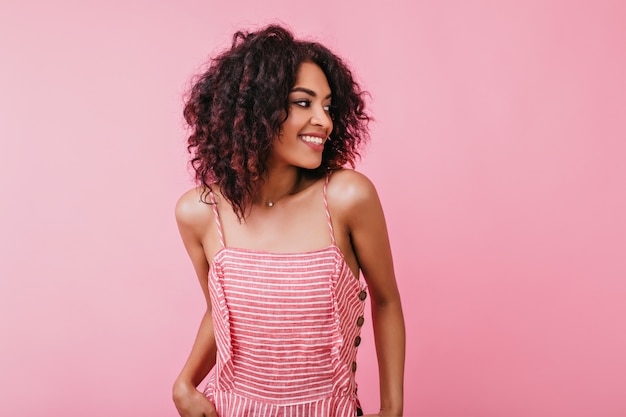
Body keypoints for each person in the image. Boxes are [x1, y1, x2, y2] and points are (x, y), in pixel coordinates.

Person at [172, 24, 405, 417]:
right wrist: (184, 384)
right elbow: (220, 312)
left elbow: (386, 300)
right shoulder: (199, 213)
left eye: (328, 106)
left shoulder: (347, 198)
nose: (324, 122)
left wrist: (392, 409)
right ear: (254, 109)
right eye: (303, 103)